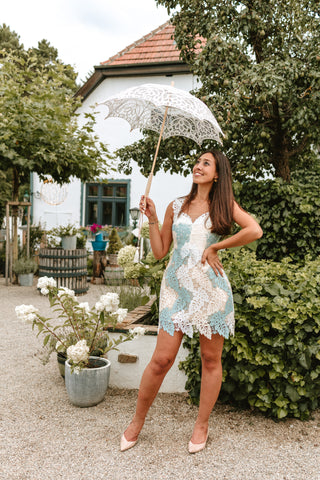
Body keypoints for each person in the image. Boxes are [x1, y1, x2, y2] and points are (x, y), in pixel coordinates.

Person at [120, 149, 263, 454]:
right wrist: (154, 218)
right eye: (198, 162)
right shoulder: (176, 205)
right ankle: (136, 422)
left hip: (211, 291)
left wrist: (217, 248)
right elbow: (160, 252)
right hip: (175, 289)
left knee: (210, 360)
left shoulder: (224, 206)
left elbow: (254, 229)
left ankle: (202, 424)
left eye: (206, 163)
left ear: (217, 174)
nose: (198, 166)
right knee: (161, 360)